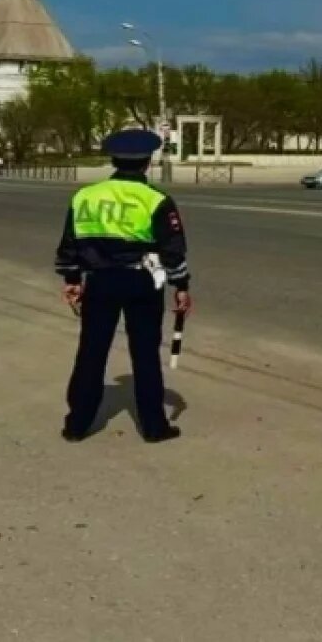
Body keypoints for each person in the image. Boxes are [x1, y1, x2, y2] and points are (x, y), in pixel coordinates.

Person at [54, 129, 192, 444]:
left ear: (113, 160)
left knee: (91, 351)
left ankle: (77, 425)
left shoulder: (85, 196)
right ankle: (154, 427)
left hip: (100, 282)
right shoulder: (156, 200)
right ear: (148, 162)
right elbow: (172, 250)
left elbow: (69, 245)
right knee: (145, 353)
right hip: (143, 281)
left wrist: (72, 280)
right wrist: (181, 286)